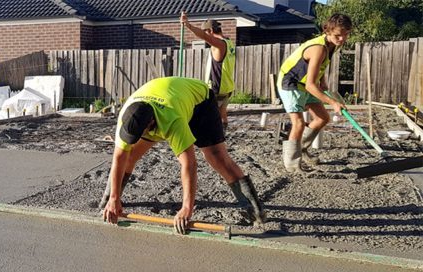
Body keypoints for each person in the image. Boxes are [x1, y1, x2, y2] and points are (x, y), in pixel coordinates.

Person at [100, 77, 265, 234]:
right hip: (168, 96)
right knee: (128, 157)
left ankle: (255, 211)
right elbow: (119, 157)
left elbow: (189, 164)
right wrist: (114, 198)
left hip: (200, 102)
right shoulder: (127, 116)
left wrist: (187, 208)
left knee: (217, 157)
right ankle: (109, 201)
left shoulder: (172, 120)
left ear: (150, 125)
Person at [277, 14, 352, 173]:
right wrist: (333, 102)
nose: (341, 39)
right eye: (338, 35)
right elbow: (311, 85)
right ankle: (291, 164)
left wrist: (323, 81)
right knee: (297, 123)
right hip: (292, 83)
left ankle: (301, 149)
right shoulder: (318, 48)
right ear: (327, 31)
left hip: (306, 83)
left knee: (323, 118)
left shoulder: (332, 44)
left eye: (345, 35)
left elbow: (318, 66)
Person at [180, 13, 235, 129]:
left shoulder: (219, 45)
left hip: (217, 87)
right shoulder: (229, 42)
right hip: (227, 86)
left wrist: (188, 25)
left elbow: (204, 37)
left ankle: (213, 136)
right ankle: (224, 132)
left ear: (210, 30)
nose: (205, 36)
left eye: (205, 32)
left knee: (205, 115)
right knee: (222, 112)